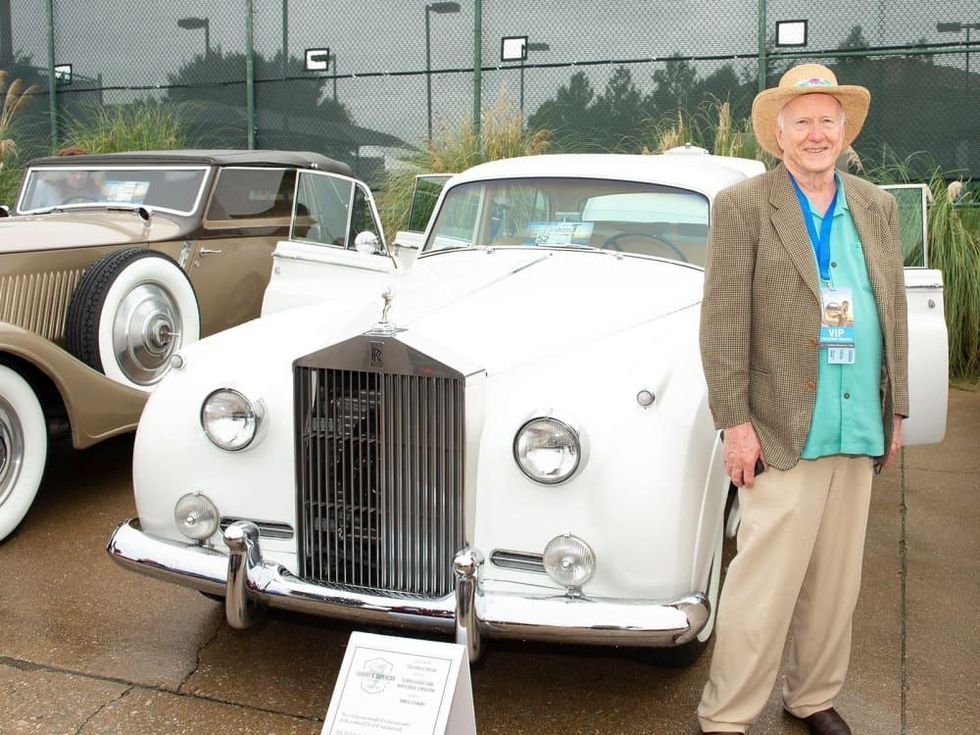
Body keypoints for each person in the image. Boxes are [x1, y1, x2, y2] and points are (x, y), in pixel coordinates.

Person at [697, 63, 908, 735]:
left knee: (837, 584)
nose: (816, 133)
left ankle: (812, 695)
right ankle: (726, 715)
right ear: (778, 133)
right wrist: (735, 423)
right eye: (802, 121)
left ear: (844, 130)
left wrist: (894, 408)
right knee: (762, 585)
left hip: (856, 423)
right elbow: (723, 321)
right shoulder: (746, 206)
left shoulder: (877, 206)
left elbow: (893, 310)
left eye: (827, 120)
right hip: (782, 425)